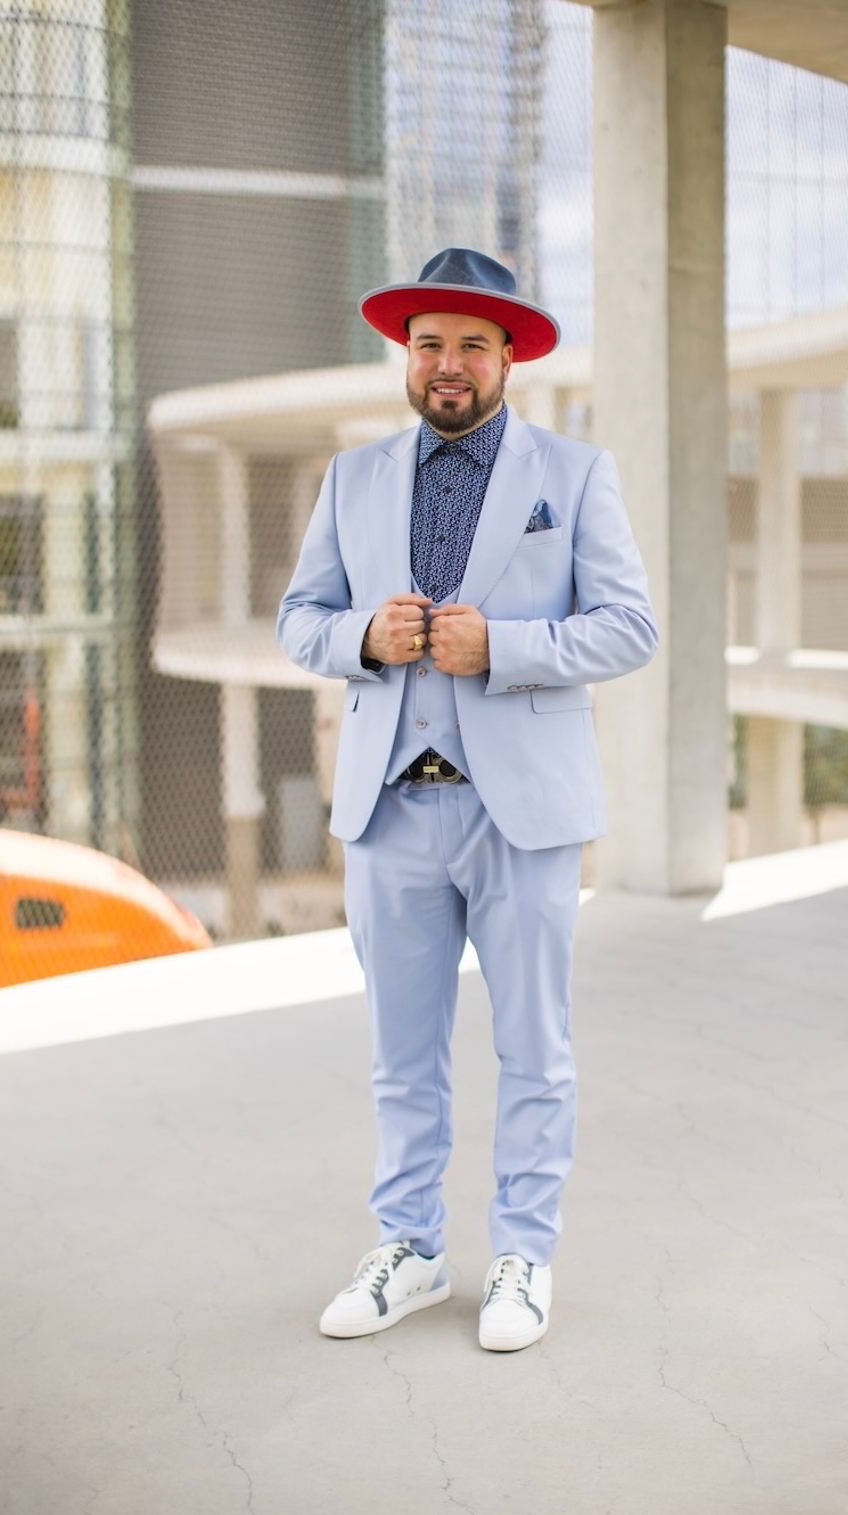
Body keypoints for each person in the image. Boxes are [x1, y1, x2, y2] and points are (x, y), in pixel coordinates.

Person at [277, 248, 657, 1351]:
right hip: (389, 809)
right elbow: (301, 618)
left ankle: (522, 1256)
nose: (448, 363)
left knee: (534, 1046)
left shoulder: (574, 475)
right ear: (409, 355)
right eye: (430, 343)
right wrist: (362, 635)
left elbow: (629, 626)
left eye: (471, 346)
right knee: (402, 1055)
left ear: (507, 359)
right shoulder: (350, 478)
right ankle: (410, 1249)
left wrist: (507, 647)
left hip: (521, 811)